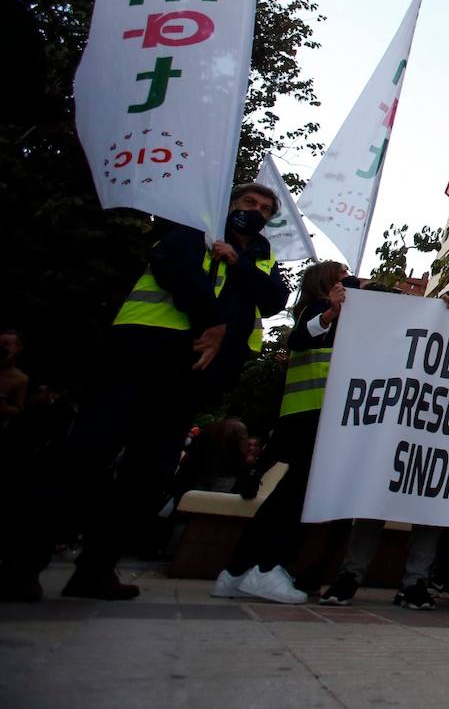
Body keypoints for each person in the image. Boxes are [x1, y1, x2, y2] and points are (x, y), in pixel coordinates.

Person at [3, 183, 289, 601]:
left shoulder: (262, 257)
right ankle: (22, 565)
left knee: (146, 475)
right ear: (229, 205)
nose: (257, 212)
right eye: (249, 203)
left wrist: (238, 264)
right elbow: (172, 265)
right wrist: (210, 319)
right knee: (86, 455)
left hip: (191, 375)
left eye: (266, 208)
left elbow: (274, 299)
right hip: (141, 355)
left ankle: (95, 571)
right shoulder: (197, 227)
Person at [321, 256, 449, 611]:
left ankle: (415, 582)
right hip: (410, 420)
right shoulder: (431, 309)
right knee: (375, 498)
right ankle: (349, 576)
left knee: (428, 506)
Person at [213, 261, 348, 604]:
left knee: (286, 496)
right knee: (296, 498)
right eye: (344, 277)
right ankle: (268, 568)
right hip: (312, 414)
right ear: (327, 283)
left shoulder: (332, 313)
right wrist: (331, 314)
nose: (350, 283)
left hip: (307, 414)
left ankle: (237, 571)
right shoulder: (320, 309)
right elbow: (300, 340)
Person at [0, 328, 29, 434]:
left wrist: (4, 408)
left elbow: (18, 409)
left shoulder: (20, 378)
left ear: (18, 348)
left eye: (6, 344)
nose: (1, 348)